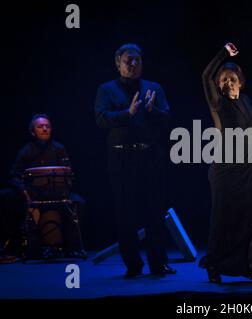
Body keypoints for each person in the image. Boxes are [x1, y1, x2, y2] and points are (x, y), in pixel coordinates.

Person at [199, 43, 252, 283]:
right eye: (223, 79)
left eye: (232, 78)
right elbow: (205, 75)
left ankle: (251, 264)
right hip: (227, 171)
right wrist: (224, 53)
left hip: (251, 168)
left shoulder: (246, 101)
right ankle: (214, 264)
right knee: (225, 220)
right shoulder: (218, 104)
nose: (228, 83)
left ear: (240, 81)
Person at [94, 43, 176, 278]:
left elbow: (167, 117)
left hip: (150, 157)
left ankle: (158, 263)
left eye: (137, 60)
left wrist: (152, 111)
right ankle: (133, 265)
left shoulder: (154, 88)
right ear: (118, 64)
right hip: (121, 158)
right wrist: (127, 114)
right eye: (128, 60)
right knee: (125, 214)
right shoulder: (107, 89)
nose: (133, 64)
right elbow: (101, 119)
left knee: (154, 212)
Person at [4, 114, 85, 259]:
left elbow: (69, 174)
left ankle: (72, 247)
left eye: (47, 126)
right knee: (6, 196)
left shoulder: (59, 148)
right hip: (33, 195)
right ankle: (17, 245)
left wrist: (64, 190)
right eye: (40, 126)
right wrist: (25, 192)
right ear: (32, 131)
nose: (45, 129)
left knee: (79, 202)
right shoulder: (26, 151)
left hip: (56, 194)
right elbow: (14, 175)